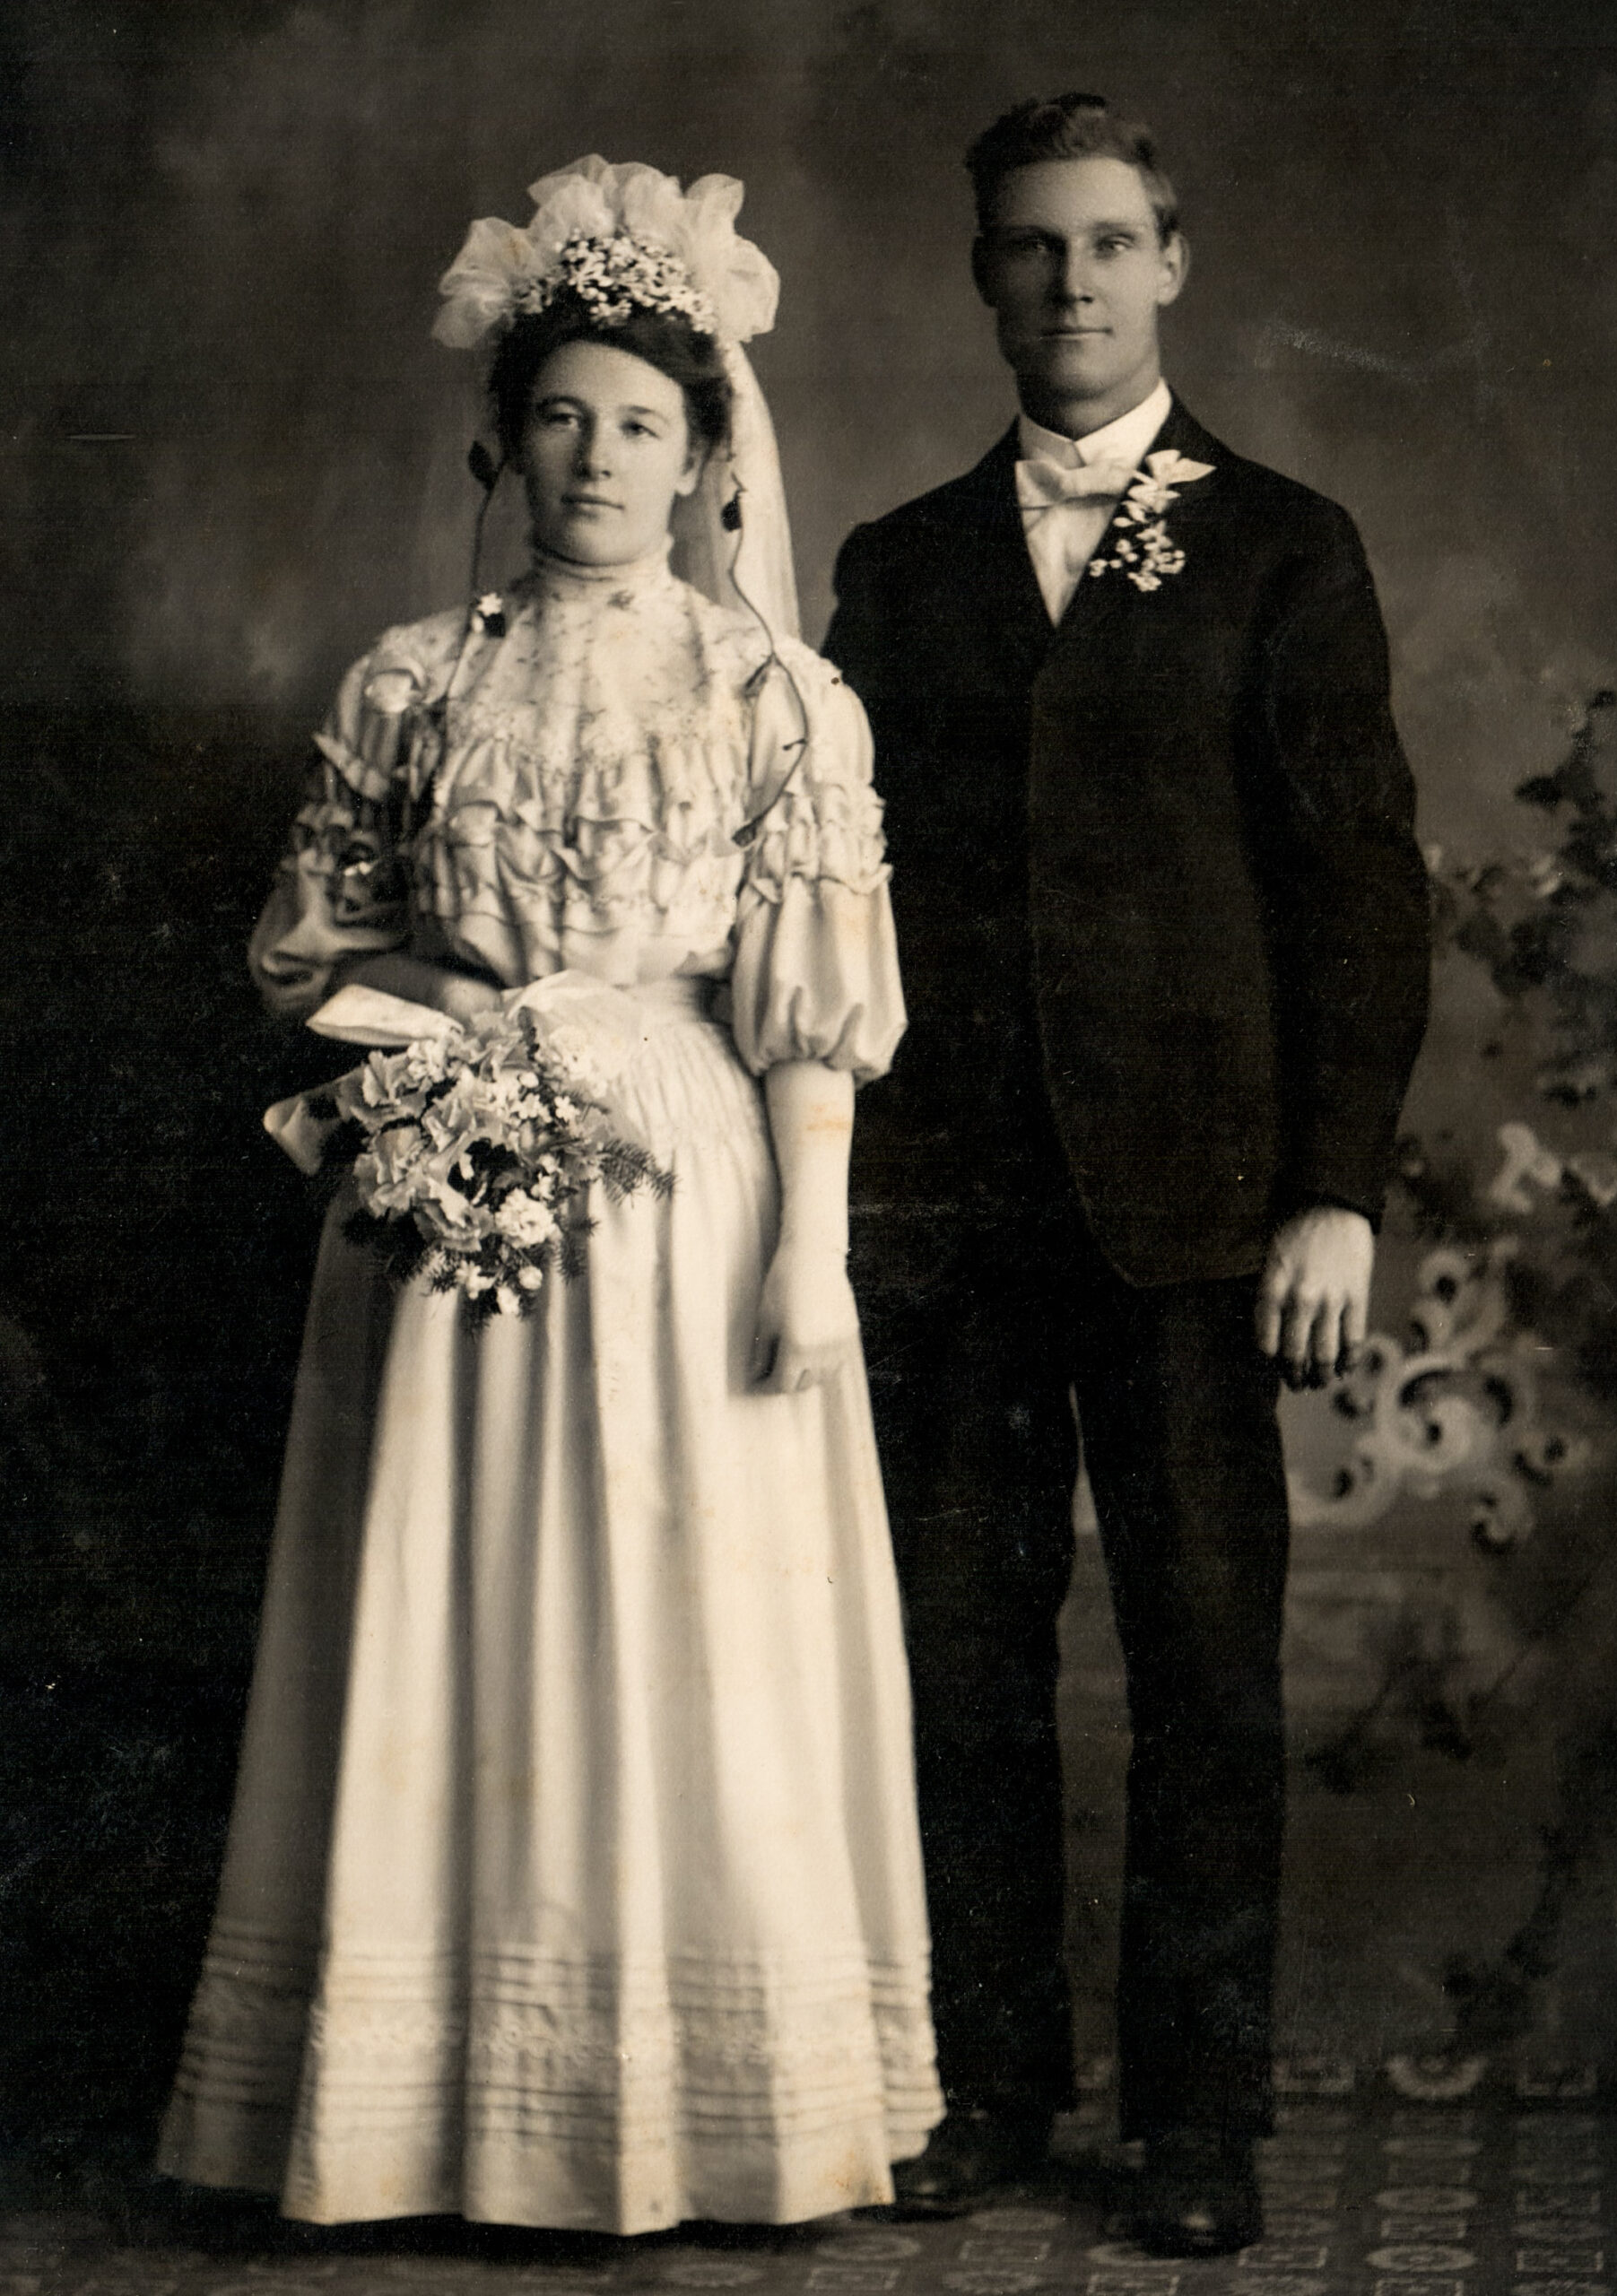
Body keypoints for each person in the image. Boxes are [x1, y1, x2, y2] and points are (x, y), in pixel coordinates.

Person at [158, 155, 941, 2236]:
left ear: (705, 458)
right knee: (453, 1593)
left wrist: (812, 1252)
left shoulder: (776, 691)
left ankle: (705, 2112)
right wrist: (469, 1036)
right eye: (566, 416)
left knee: (689, 1621)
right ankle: (435, 2116)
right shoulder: (412, 678)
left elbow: (804, 1006)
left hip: (689, 1198)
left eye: (646, 423)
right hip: (451, 1175)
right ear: (503, 437)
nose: (601, 457)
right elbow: (308, 955)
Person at [824, 97, 1430, 2257]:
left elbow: (1359, 894)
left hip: (1199, 1219)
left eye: (1104, 245)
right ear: (981, 277)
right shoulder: (895, 568)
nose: (1067, 286)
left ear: (1171, 261)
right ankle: (986, 2084)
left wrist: (1334, 1189)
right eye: (1026, 250)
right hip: (955, 1222)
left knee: (1202, 1671)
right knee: (959, 1657)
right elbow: (836, 891)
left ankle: (1196, 2124)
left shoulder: (1285, 543)